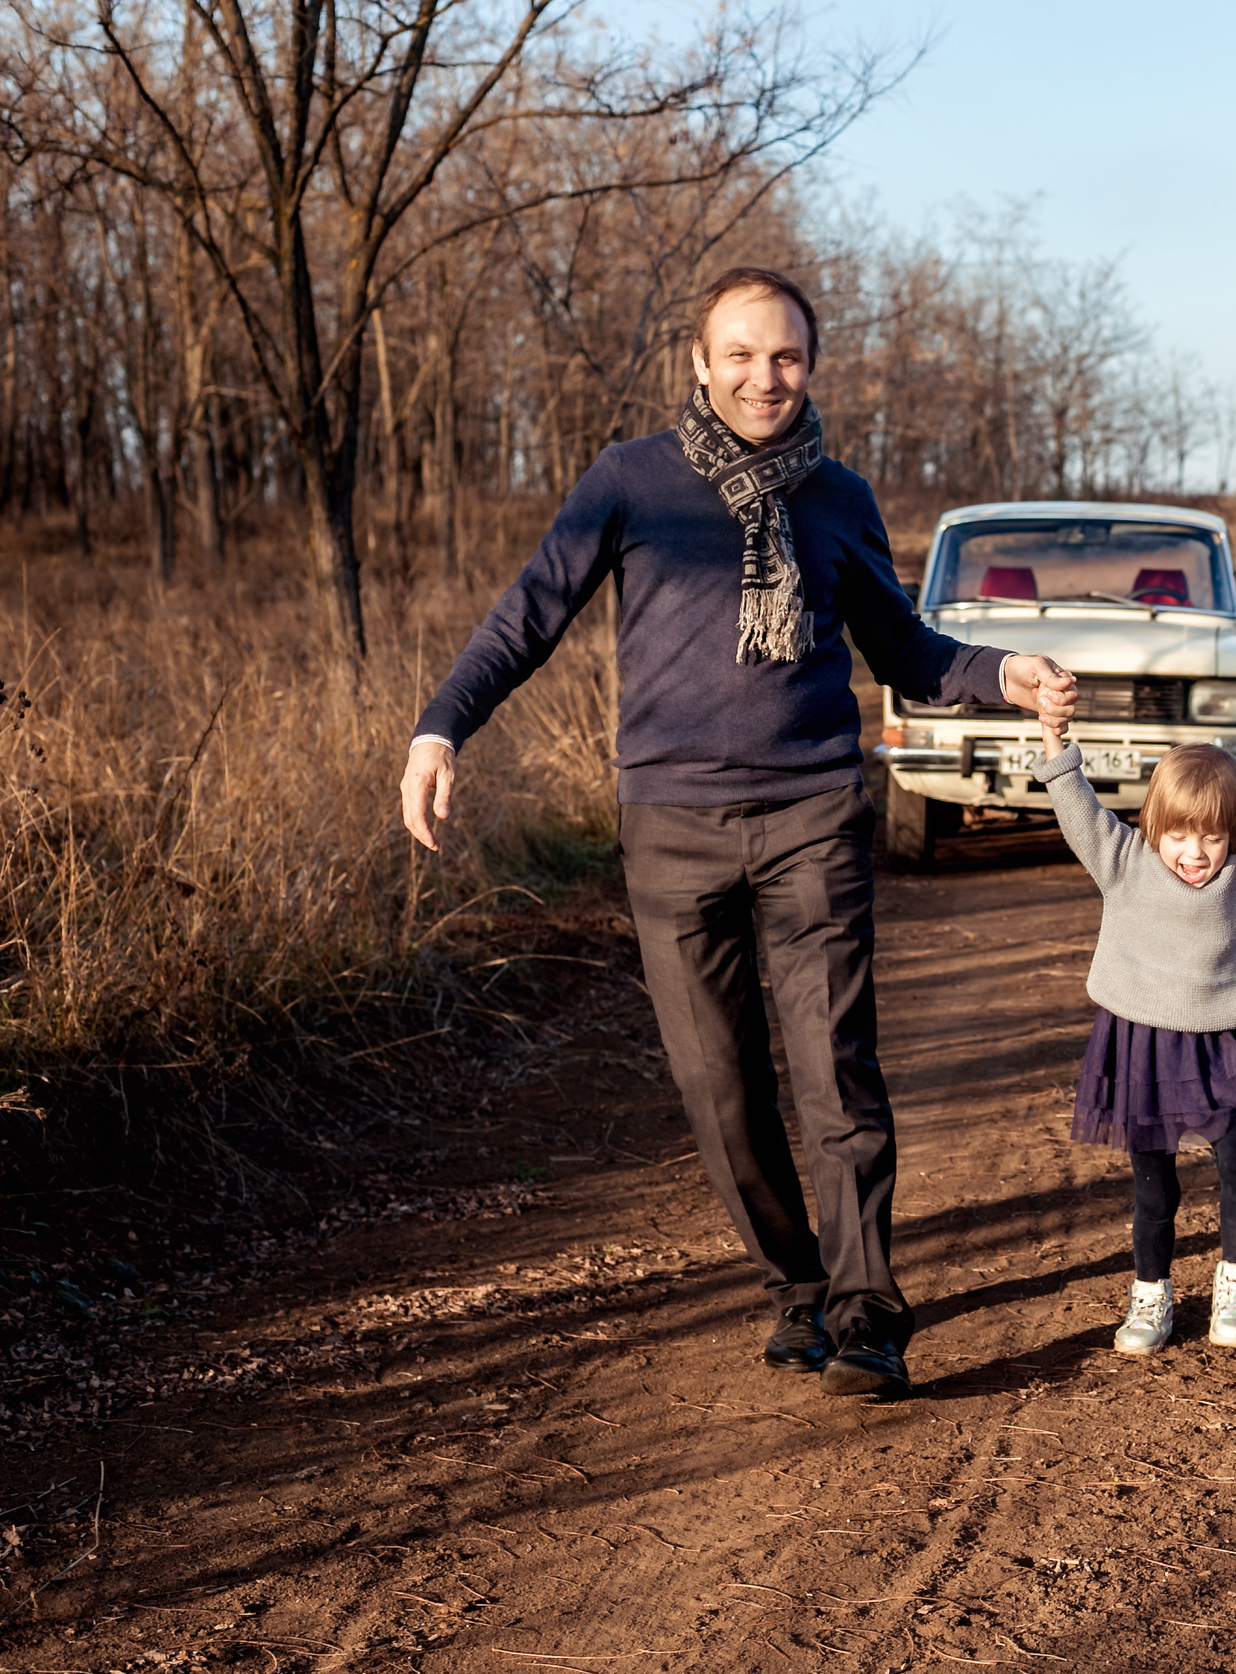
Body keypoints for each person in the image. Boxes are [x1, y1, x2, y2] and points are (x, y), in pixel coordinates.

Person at [398, 266, 1078, 1402]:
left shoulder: (839, 497)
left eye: (789, 358)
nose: (767, 378)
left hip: (811, 810)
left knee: (832, 1069)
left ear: (810, 366)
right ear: (700, 364)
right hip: (669, 821)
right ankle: (794, 1284)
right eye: (744, 355)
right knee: (718, 1085)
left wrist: (1004, 670)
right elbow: (529, 613)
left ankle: (867, 1312)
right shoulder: (632, 483)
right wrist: (440, 729)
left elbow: (906, 651)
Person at [1029, 685, 1236, 1355]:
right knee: (1153, 1184)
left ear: (1235, 833)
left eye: (1212, 834)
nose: (1194, 851)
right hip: (1143, 1044)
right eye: (1178, 832)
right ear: (1153, 825)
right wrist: (1054, 735)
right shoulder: (1123, 863)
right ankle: (1151, 1294)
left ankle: (1235, 1283)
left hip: (1228, 1043)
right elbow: (1076, 806)